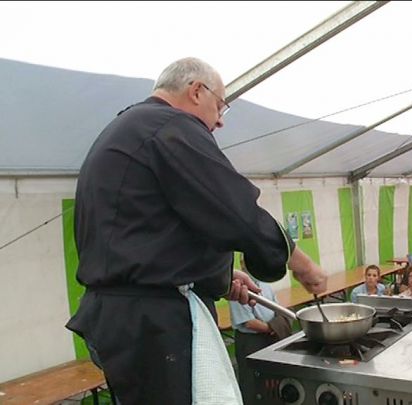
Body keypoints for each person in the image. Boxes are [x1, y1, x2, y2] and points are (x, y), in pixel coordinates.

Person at [65, 58, 328, 404]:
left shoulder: (132, 127)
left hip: (123, 317)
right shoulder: (171, 126)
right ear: (196, 91)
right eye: (220, 106)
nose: (220, 120)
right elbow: (234, 210)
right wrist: (303, 265)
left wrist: (220, 276)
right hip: (150, 322)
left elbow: (155, 233)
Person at [230, 274, 292, 403]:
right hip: (251, 342)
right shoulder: (238, 288)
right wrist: (273, 328)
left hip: (270, 338)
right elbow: (249, 323)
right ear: (243, 264)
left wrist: (274, 327)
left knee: (274, 381)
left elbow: (277, 309)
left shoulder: (265, 284)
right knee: (254, 384)